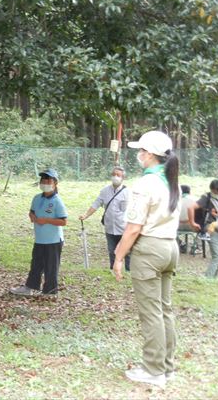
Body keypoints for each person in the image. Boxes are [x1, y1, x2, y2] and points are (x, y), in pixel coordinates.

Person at [113, 130, 180, 387]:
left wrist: (119, 257)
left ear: (150, 154)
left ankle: (153, 370)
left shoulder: (145, 184)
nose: (138, 154)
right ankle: (167, 367)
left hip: (150, 250)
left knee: (151, 312)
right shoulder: (169, 179)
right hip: (169, 247)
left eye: (141, 150)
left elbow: (133, 228)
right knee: (165, 310)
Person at [11, 168, 67, 298]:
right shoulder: (36, 198)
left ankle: (50, 291)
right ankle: (30, 287)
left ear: (55, 183)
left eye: (48, 180)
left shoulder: (57, 201)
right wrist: (32, 216)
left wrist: (46, 220)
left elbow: (64, 221)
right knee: (36, 264)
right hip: (40, 239)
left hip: (53, 240)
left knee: (51, 267)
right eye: (43, 180)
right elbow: (32, 212)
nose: (45, 182)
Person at [79, 166, 130, 271]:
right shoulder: (105, 191)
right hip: (110, 227)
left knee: (127, 251)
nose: (116, 177)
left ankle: (129, 270)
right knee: (112, 251)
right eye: (114, 174)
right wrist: (86, 215)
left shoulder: (128, 193)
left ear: (123, 178)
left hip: (124, 227)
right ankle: (113, 270)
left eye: (118, 175)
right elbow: (96, 204)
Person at [190, 179, 218, 277]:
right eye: (214, 191)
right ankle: (208, 278)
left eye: (217, 191)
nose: (215, 193)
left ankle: (213, 279)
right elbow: (191, 207)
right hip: (211, 227)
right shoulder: (206, 197)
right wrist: (192, 222)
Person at [176, 185, 197, 253]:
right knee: (201, 228)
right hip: (191, 226)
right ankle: (196, 247)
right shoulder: (195, 200)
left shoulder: (175, 199)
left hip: (176, 226)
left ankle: (181, 244)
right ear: (189, 191)